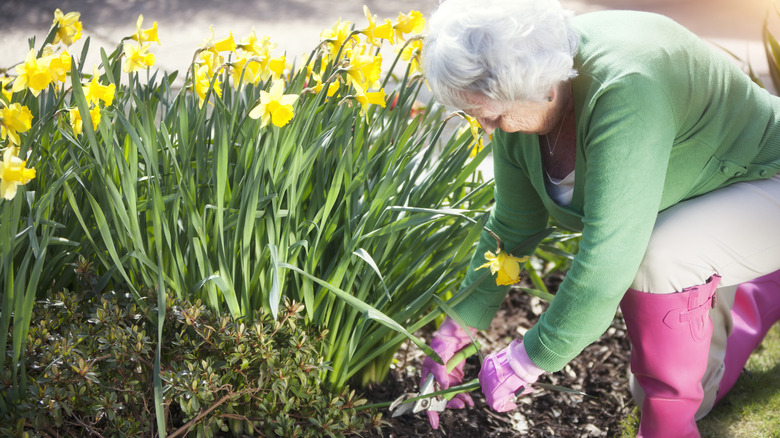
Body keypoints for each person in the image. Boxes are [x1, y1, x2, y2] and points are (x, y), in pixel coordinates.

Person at [418, 0, 780, 436]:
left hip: (763, 176)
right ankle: (762, 287)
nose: (488, 129)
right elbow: (512, 228)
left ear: (543, 87)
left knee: (658, 256)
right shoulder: (519, 99)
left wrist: (529, 358)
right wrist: (458, 328)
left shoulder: (626, 88)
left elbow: (607, 260)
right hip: (699, 203)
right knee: (689, 389)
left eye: (491, 115)